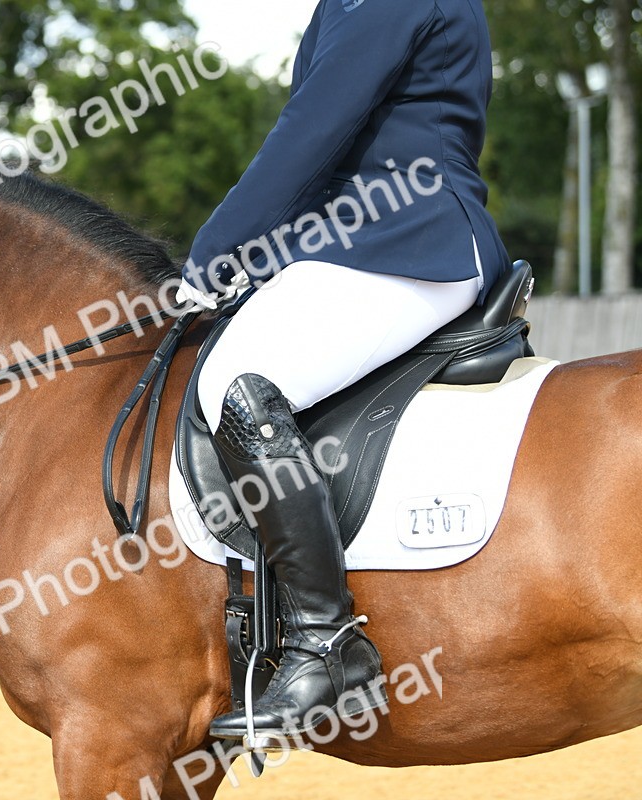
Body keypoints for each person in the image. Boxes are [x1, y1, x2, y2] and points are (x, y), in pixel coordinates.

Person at [176, 0, 509, 745]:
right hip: (366, 239)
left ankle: (324, 642)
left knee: (239, 380)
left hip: (410, 237)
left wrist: (218, 251)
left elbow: (316, 131)